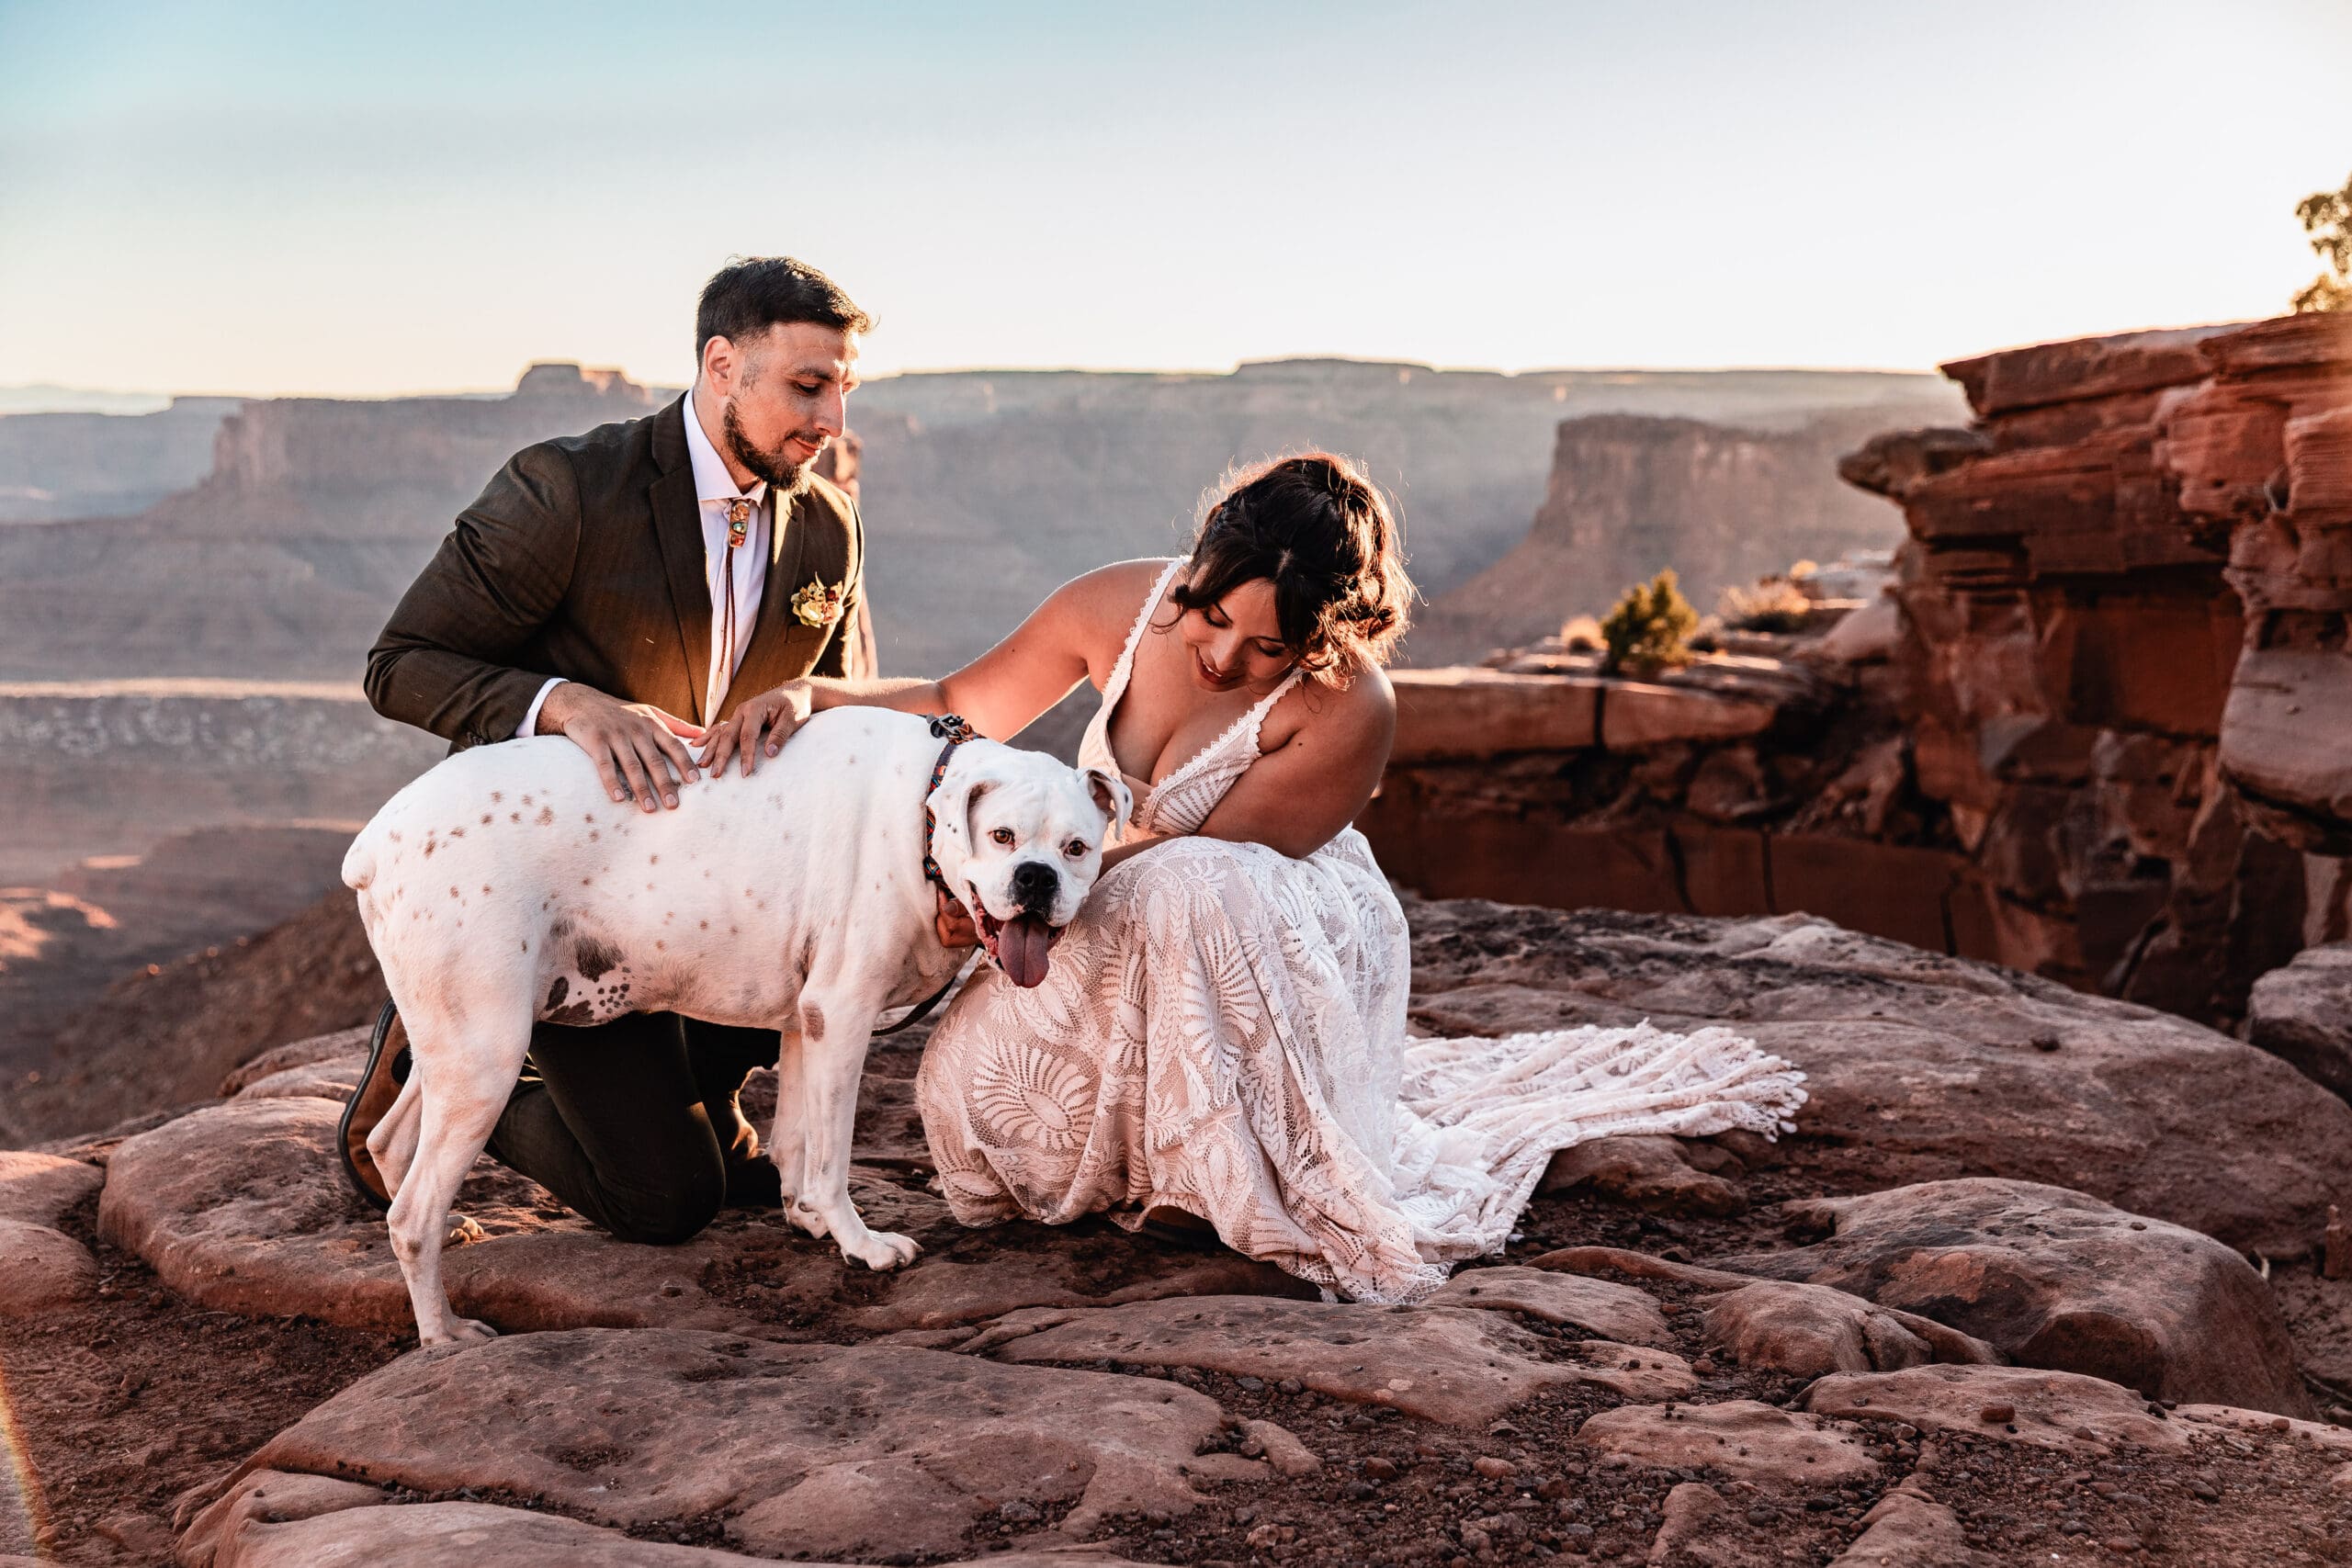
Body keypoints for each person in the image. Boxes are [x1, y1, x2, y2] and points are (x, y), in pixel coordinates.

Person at [700, 452, 1805, 1302]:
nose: (1223, 659)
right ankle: (1142, 1157)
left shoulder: (1351, 711)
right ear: (1199, 568)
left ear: (1326, 641)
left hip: (1264, 914)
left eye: (1268, 650)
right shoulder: (1118, 605)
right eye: (1214, 615)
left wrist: (1004, 896)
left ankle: (1219, 1174)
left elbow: (1196, 859)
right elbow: (959, 701)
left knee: (1193, 889)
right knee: (957, 1091)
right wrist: (813, 700)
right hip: (1104, 898)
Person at [342, 255, 878, 1243]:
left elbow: (854, 710)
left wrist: (807, 698)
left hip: (723, 892)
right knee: (668, 1202)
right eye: (807, 386)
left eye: (842, 388)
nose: (830, 420)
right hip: (568, 901)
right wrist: (564, 706)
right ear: (722, 364)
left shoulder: (827, 527)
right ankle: (450, 1067)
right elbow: (401, 663)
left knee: (817, 1004)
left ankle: (700, 1102)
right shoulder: (568, 488)